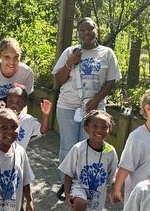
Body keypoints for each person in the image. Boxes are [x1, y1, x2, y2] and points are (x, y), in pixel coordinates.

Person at [52, 17, 121, 200]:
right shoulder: (70, 51)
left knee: (88, 147)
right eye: (82, 30)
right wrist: (71, 61)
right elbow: (59, 80)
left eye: (89, 29)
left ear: (96, 29)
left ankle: (82, 185)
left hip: (93, 109)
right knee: (68, 146)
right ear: (78, 33)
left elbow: (111, 81)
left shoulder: (106, 53)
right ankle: (65, 184)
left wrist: (96, 100)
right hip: (68, 105)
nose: (86, 33)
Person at [0, 84, 52, 150]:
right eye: (11, 101)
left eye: (19, 103)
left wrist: (45, 115)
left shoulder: (28, 120)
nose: (14, 105)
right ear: (6, 101)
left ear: (25, 104)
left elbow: (43, 131)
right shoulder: (0, 116)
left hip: (17, 159)